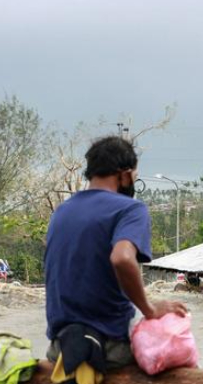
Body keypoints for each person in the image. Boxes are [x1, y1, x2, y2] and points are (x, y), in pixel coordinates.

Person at [44, 136, 187, 369]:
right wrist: (149, 309)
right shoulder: (130, 209)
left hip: (60, 348)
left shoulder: (61, 212)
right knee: (177, 352)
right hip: (108, 347)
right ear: (125, 174)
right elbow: (121, 258)